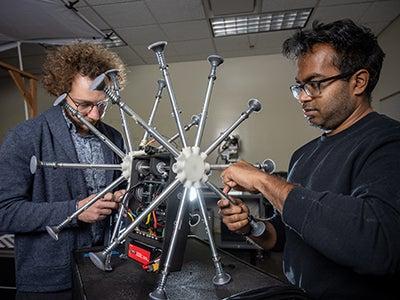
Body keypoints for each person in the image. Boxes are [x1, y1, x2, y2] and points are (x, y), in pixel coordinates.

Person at [218, 19, 400, 299]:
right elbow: (285, 235)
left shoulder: (388, 142)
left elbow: (375, 243)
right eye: (299, 87)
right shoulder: (303, 155)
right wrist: (250, 226)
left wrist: (265, 181)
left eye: (315, 84)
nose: (302, 97)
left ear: (358, 81)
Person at [0, 43, 127, 299]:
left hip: (100, 271)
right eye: (83, 105)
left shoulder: (113, 138)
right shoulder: (27, 136)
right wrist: (76, 211)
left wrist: (122, 199)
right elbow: (4, 212)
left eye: (102, 106)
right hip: (47, 281)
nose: (94, 115)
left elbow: (117, 193)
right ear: (62, 91)